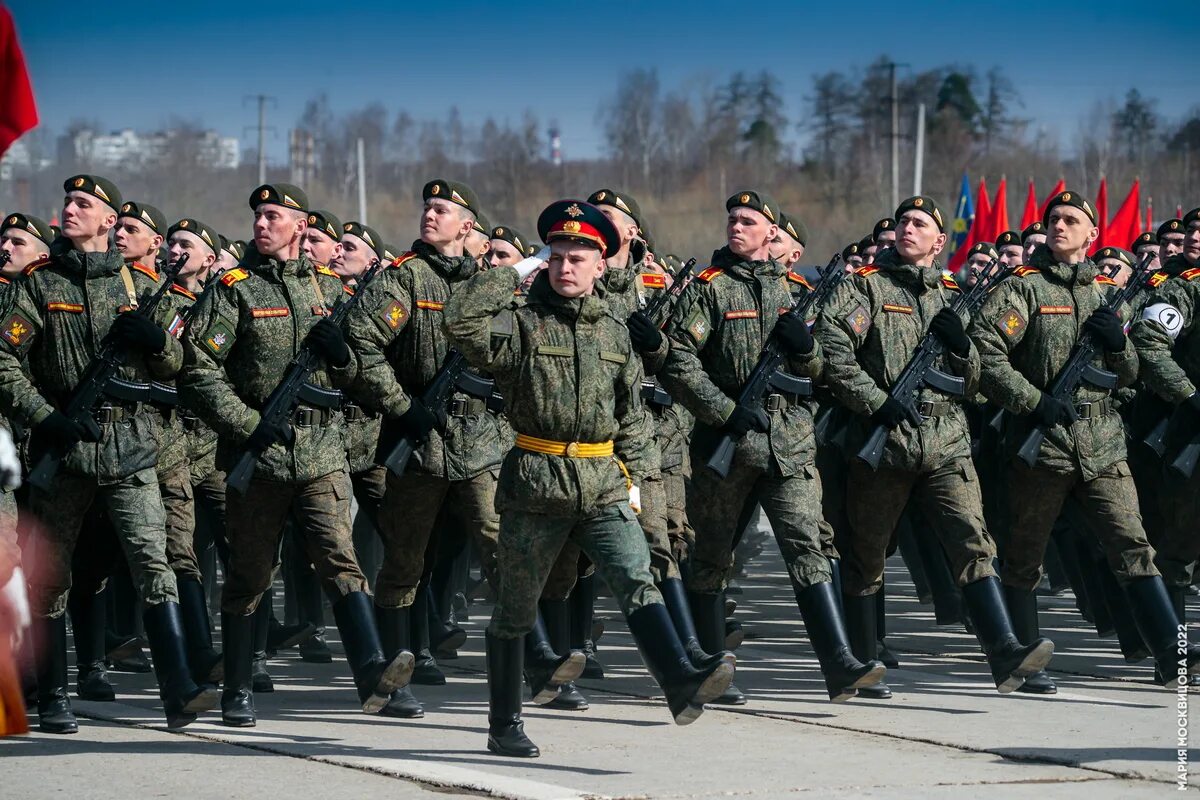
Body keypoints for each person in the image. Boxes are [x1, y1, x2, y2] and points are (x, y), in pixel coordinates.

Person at [444, 198, 734, 758]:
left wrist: (644, 482)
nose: (566, 267)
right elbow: (460, 323)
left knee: (636, 577)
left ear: (603, 264)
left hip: (601, 481)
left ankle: (677, 680)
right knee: (514, 609)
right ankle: (504, 723)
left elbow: (631, 415)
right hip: (537, 482)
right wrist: (514, 270)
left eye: (578, 257)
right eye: (556, 257)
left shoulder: (617, 331)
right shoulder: (522, 326)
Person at [181, 182, 413, 727]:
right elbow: (198, 369)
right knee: (251, 573)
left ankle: (372, 673)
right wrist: (246, 424)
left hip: (321, 452)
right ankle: (237, 686)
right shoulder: (235, 288)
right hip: (257, 458)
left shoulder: (332, 291)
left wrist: (346, 360)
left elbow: (359, 370)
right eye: (257, 216)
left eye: (273, 216)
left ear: (301, 224)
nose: (262, 225)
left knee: (340, 559)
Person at [0, 175, 218, 732]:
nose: (71, 209)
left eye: (84, 204)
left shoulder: (141, 286)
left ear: (108, 220)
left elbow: (176, 367)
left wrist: (157, 342)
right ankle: (52, 696)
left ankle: (178, 690)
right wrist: (46, 416)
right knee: (50, 576)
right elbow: (3, 360)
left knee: (154, 564)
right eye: (68, 202)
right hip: (65, 451)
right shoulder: (38, 283)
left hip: (131, 449)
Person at [814, 194, 1054, 695]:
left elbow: (974, 382)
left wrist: (962, 347)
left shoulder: (953, 295)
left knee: (973, 542)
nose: (908, 228)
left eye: (920, 223)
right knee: (867, 552)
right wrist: (874, 402)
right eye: (903, 221)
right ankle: (859, 661)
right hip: (886, 441)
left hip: (946, 442)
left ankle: (1005, 651)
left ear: (939, 242)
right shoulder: (867, 288)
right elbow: (834, 350)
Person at [657, 189, 885, 705]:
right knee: (712, 553)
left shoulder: (801, 292)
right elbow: (678, 361)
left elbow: (829, 367)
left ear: (772, 233)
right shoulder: (710, 290)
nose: (737, 227)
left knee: (809, 547)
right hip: (729, 444)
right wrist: (723, 409)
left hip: (791, 445)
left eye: (748, 221)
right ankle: (710, 667)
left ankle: (839, 664)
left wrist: (805, 352)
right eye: (732, 219)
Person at [971, 190, 1199, 686]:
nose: (1059, 225)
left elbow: (1132, 372)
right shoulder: (1024, 289)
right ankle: (1023, 662)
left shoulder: (1104, 292)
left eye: (1071, 219)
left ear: (1092, 234)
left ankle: (1170, 651)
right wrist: (1033, 401)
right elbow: (986, 354)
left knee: (1133, 546)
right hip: (1043, 440)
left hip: (1103, 442)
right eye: (1053, 218)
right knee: (1025, 554)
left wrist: (1119, 347)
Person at [341, 179, 504, 718]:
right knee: (406, 559)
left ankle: (533, 660)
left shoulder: (488, 284)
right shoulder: (405, 278)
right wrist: (402, 405)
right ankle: (397, 670)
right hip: (418, 442)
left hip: (478, 443)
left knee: (498, 547)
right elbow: (361, 343)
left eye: (442, 209)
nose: (430, 216)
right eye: (427, 208)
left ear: (468, 225)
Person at [1129, 206, 1200, 677]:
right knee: (1176, 550)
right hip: (1189, 436)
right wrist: (1191, 396)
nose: (1195, 237)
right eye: (1193, 230)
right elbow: (1149, 341)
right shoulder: (1185, 287)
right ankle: (1173, 656)